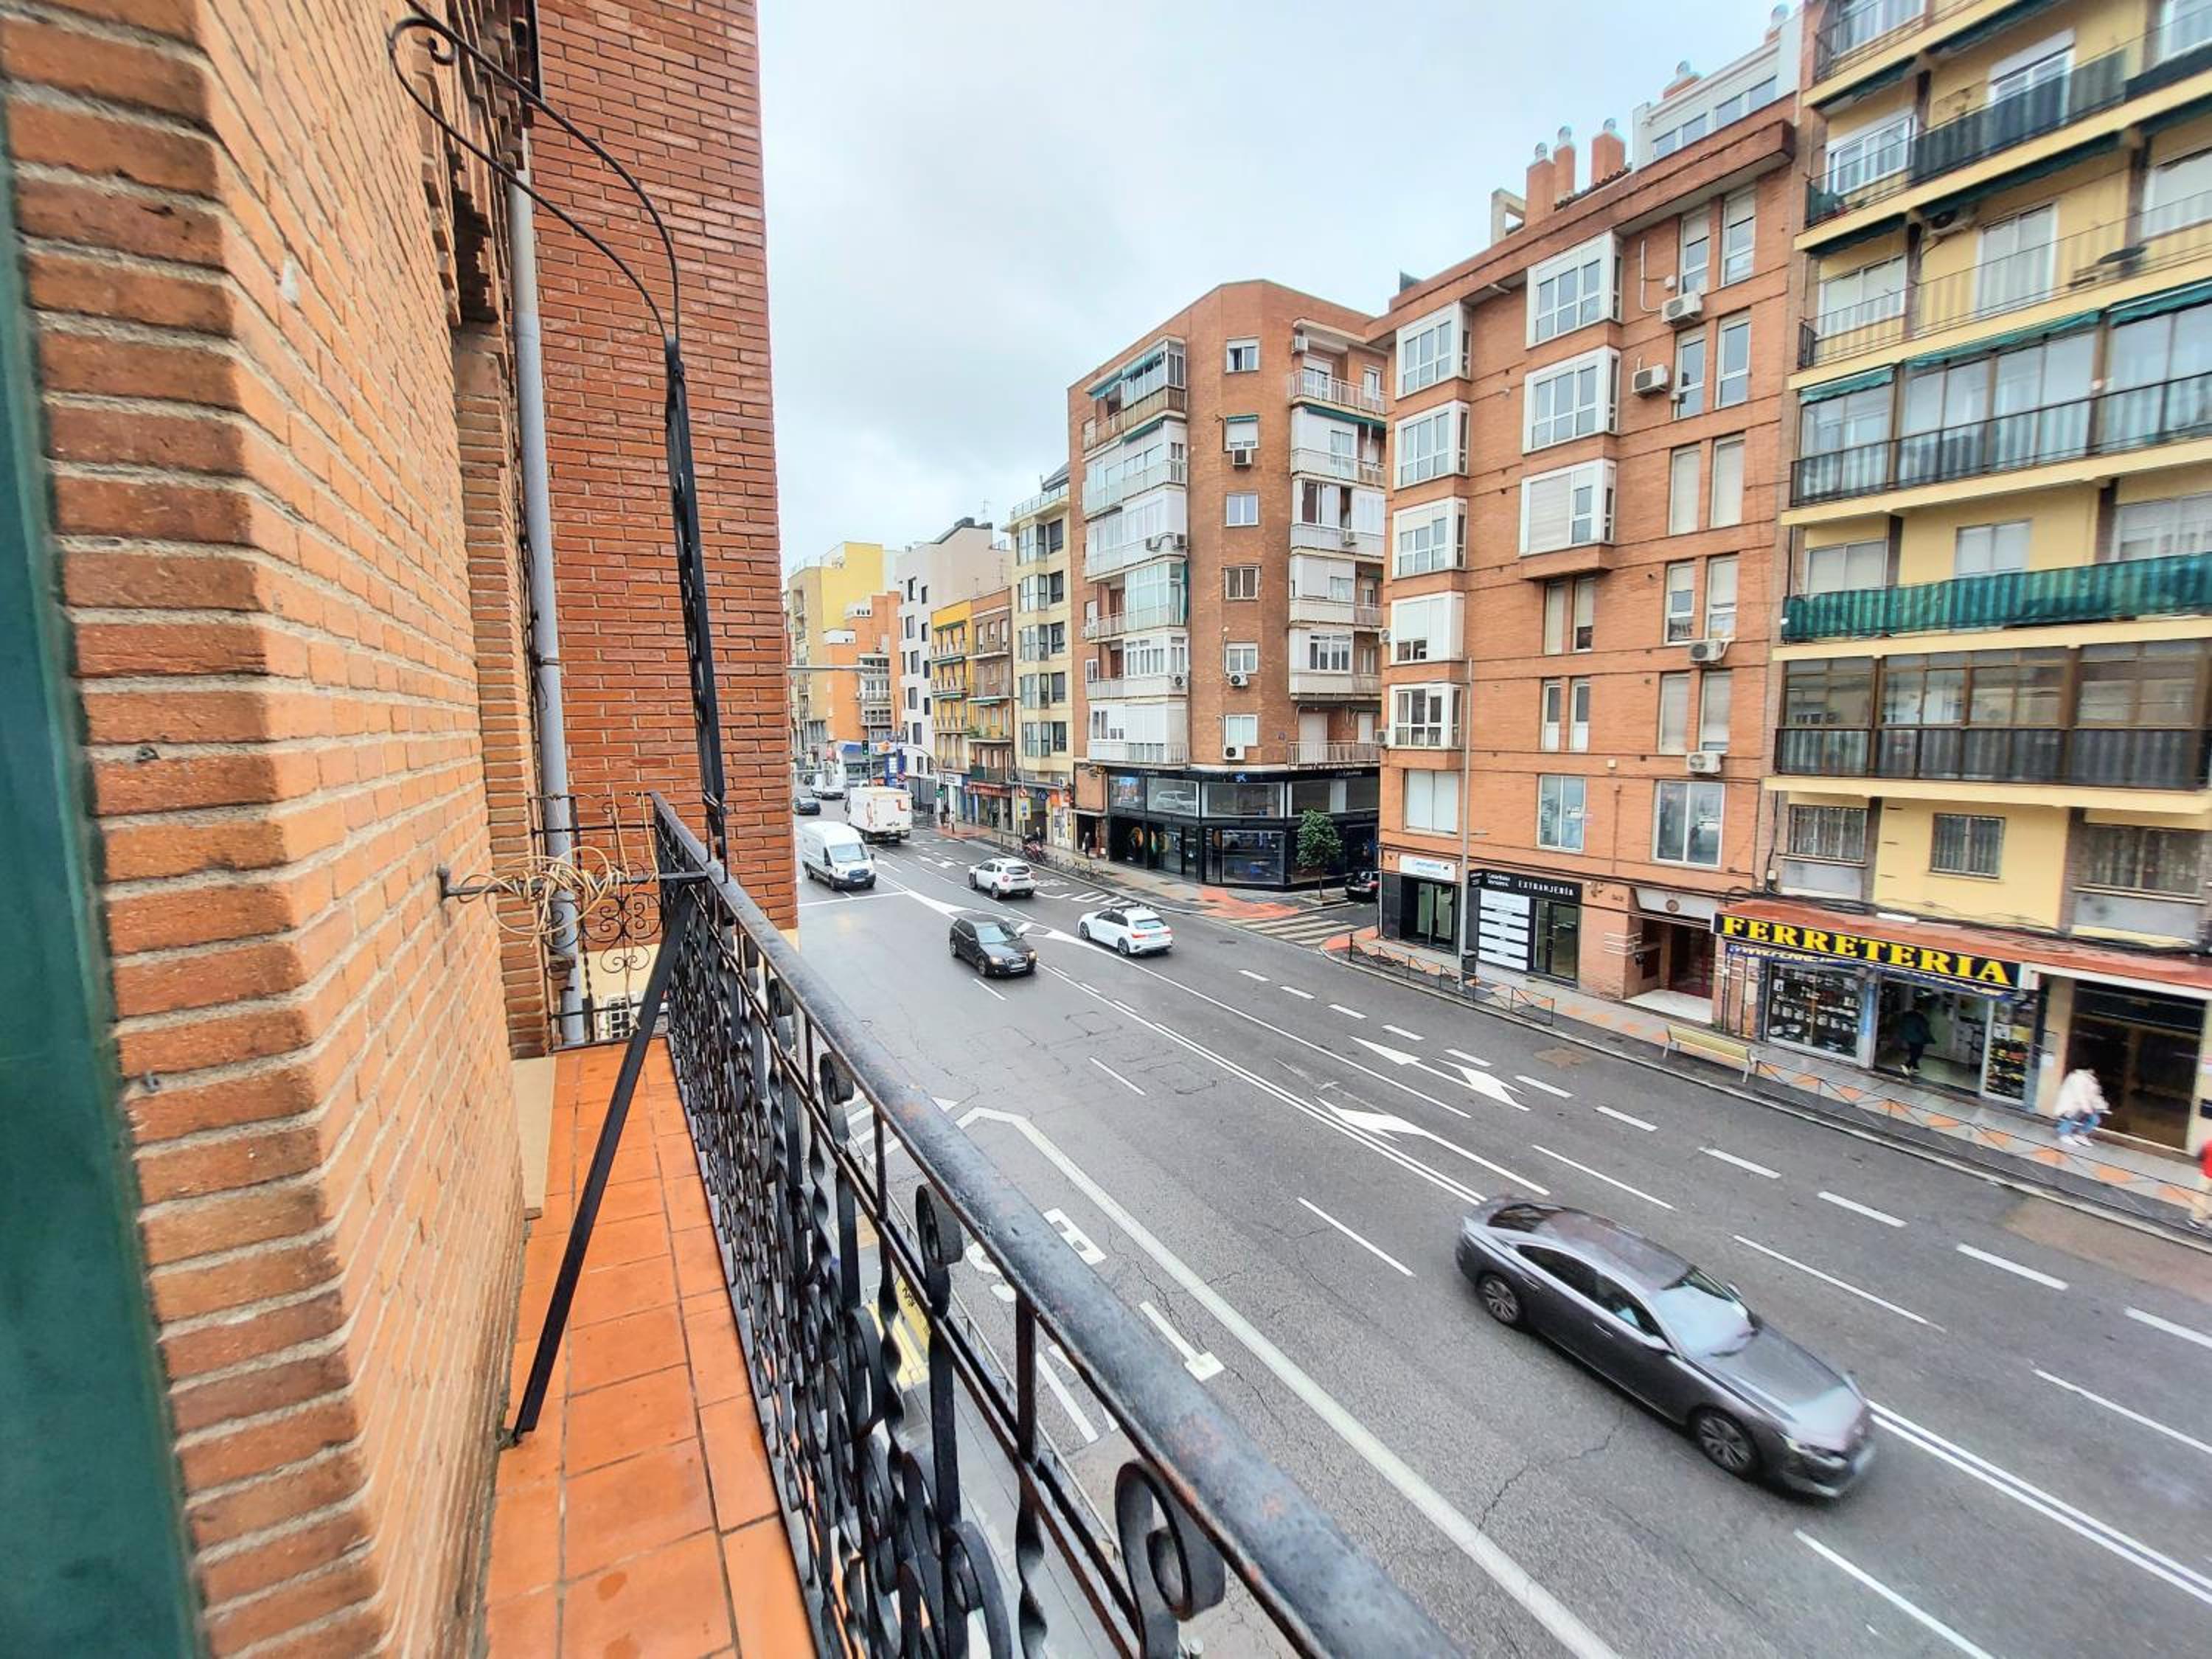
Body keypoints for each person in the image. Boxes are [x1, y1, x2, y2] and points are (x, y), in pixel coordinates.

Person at [2051, 1066, 2109, 1147]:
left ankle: (2080, 1135)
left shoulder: (2090, 1079)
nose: (2093, 1071)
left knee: (2094, 1120)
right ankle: (2064, 1135)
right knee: (2070, 1118)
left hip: (2085, 1105)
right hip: (2072, 1104)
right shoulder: (2076, 1077)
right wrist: (2086, 1106)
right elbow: (2080, 1094)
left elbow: (2094, 1094)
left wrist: (2101, 1105)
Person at [1893, 1001, 1933, 1075]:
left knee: (1913, 1052)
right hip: (1918, 1039)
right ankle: (1907, 1065)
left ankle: (1916, 1067)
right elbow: (1924, 1029)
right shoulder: (1921, 1017)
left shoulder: (1907, 1015)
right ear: (1921, 1009)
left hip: (1908, 1037)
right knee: (1918, 1053)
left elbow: (1902, 1024)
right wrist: (1929, 1038)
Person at [2188, 1133, 2212, 1231]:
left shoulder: (2209, 1144)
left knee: (2201, 1197)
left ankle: (2197, 1220)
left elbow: (2199, 1157)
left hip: (2206, 1175)